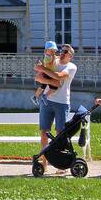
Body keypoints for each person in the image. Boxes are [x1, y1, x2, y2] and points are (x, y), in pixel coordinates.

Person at [34, 45, 77, 173]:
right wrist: (42, 70)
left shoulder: (71, 66)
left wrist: (44, 72)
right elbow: (39, 76)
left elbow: (58, 77)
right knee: (44, 132)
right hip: (47, 102)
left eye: (66, 52)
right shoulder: (54, 61)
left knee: (60, 134)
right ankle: (44, 162)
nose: (62, 53)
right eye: (61, 50)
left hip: (62, 103)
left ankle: (61, 164)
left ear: (71, 56)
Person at [32, 40, 58, 106]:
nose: (53, 52)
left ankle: (35, 97)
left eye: (54, 51)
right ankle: (44, 96)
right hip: (48, 74)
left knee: (43, 86)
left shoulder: (49, 56)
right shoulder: (47, 57)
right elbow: (49, 65)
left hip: (48, 73)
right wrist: (53, 59)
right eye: (51, 51)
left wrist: (54, 58)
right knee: (54, 87)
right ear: (46, 51)